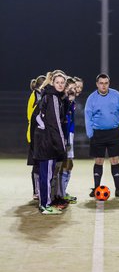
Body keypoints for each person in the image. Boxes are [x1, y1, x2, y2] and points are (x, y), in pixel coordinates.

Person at [84, 73, 119, 197]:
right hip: (98, 134)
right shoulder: (92, 98)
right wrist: (90, 133)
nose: (103, 86)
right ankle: (96, 188)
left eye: (106, 83)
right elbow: (88, 116)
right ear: (97, 84)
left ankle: (118, 188)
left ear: (109, 83)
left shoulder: (116, 95)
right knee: (99, 160)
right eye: (101, 83)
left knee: (114, 160)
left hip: (114, 133)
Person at [33, 71, 67, 214]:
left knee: (45, 175)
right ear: (52, 82)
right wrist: (62, 145)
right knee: (46, 175)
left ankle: (44, 202)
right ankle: (44, 204)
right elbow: (55, 124)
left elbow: (38, 118)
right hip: (48, 142)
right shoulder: (52, 96)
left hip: (44, 140)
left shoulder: (49, 95)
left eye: (62, 82)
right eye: (57, 82)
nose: (60, 85)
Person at [26, 75, 46, 200]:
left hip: (42, 135)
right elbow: (31, 117)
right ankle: (36, 191)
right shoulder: (35, 96)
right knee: (37, 164)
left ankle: (44, 189)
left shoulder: (43, 96)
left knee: (43, 163)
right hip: (35, 135)